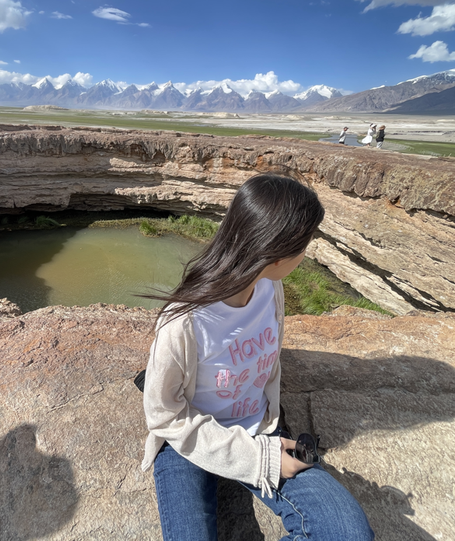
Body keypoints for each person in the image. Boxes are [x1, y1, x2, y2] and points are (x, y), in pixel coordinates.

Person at [141, 173, 375, 541]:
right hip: (187, 442)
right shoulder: (183, 322)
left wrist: (267, 447)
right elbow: (163, 415)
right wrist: (259, 460)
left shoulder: (271, 290)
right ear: (277, 255)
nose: (306, 253)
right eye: (305, 244)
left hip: (261, 429)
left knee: (347, 534)